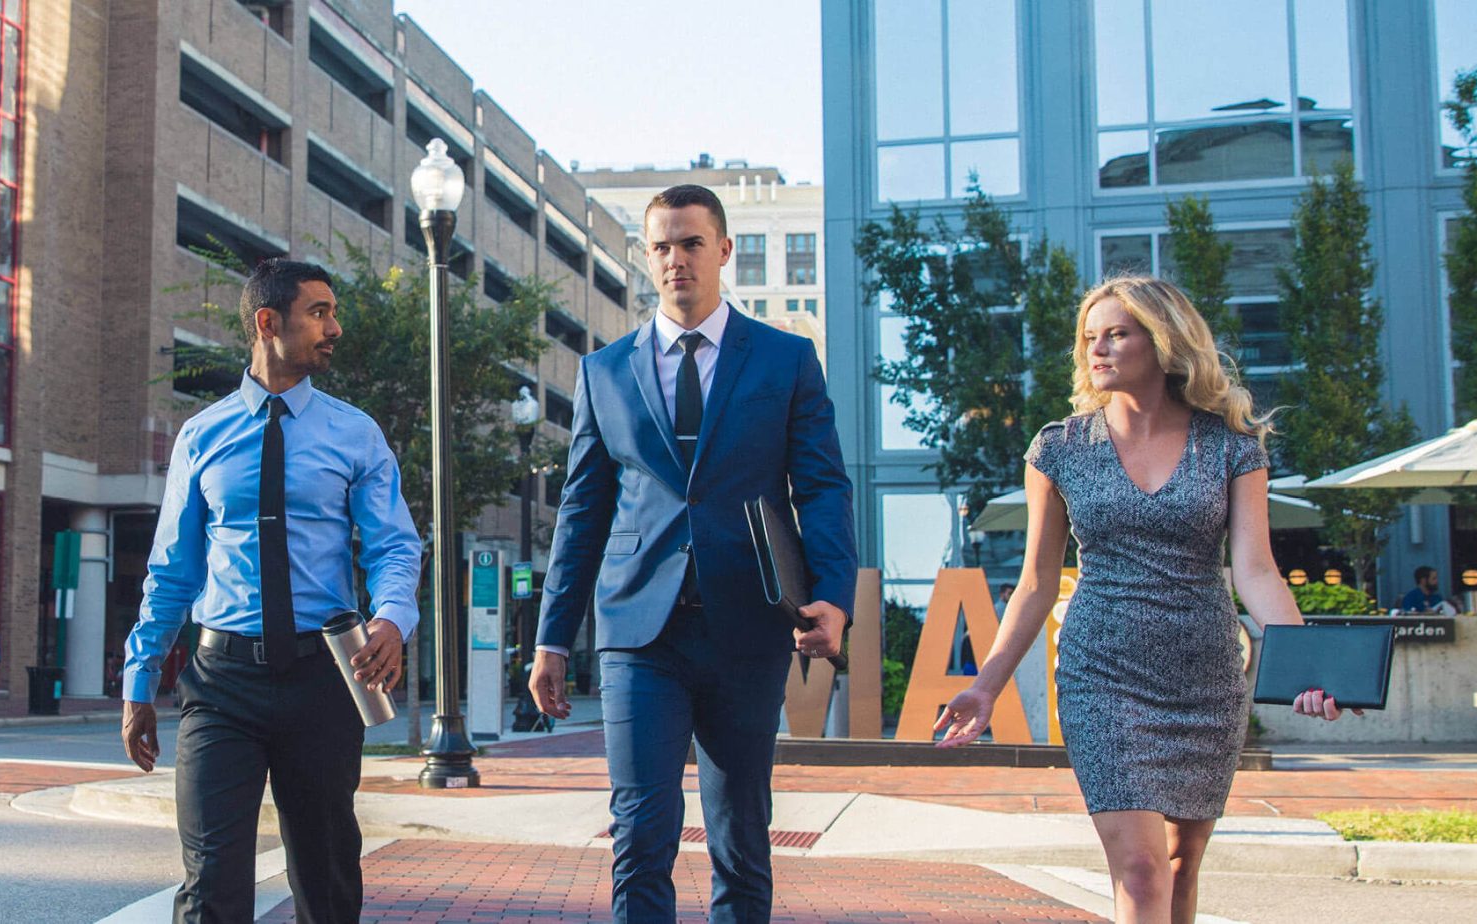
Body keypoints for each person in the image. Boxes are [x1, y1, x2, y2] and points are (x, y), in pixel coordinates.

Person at [934, 277, 1353, 924]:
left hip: (1205, 679)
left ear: (1163, 343)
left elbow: (1257, 570)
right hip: (1102, 675)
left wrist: (1306, 666)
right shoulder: (1060, 449)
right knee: (1140, 867)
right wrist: (987, 685)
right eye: (1090, 337)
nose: (1097, 350)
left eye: (1117, 334)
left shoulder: (1233, 447)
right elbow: (1037, 584)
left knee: (1183, 868)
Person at [530, 184, 856, 923]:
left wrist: (832, 594)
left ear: (725, 251)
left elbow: (823, 488)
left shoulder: (785, 361)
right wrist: (552, 636)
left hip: (748, 626)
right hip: (639, 633)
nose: (676, 260)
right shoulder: (603, 372)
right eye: (662, 246)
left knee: (740, 835)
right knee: (641, 833)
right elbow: (582, 511)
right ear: (648, 258)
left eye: (692, 243)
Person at [120, 259, 423, 922]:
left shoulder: (356, 433)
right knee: (212, 883)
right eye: (319, 312)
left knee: (326, 879)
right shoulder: (202, 436)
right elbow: (171, 571)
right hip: (221, 683)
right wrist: (138, 683)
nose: (334, 327)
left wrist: (393, 617)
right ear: (268, 322)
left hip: (324, 679)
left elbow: (395, 544)